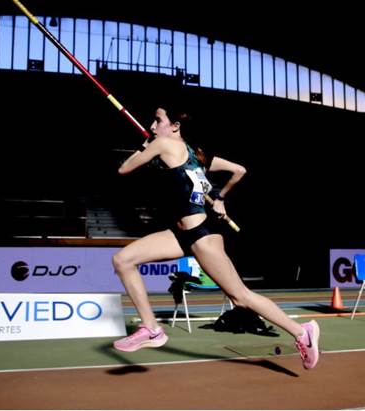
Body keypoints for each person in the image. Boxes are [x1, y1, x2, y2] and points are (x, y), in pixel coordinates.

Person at [111, 104, 320, 369]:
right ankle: (151, 328)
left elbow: (124, 169)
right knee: (123, 260)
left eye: (157, 120)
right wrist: (220, 198)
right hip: (180, 233)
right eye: (152, 123)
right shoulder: (197, 156)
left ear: (175, 126)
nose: (153, 126)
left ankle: (303, 333)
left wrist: (145, 144)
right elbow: (240, 170)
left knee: (240, 297)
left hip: (201, 235)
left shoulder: (162, 143)